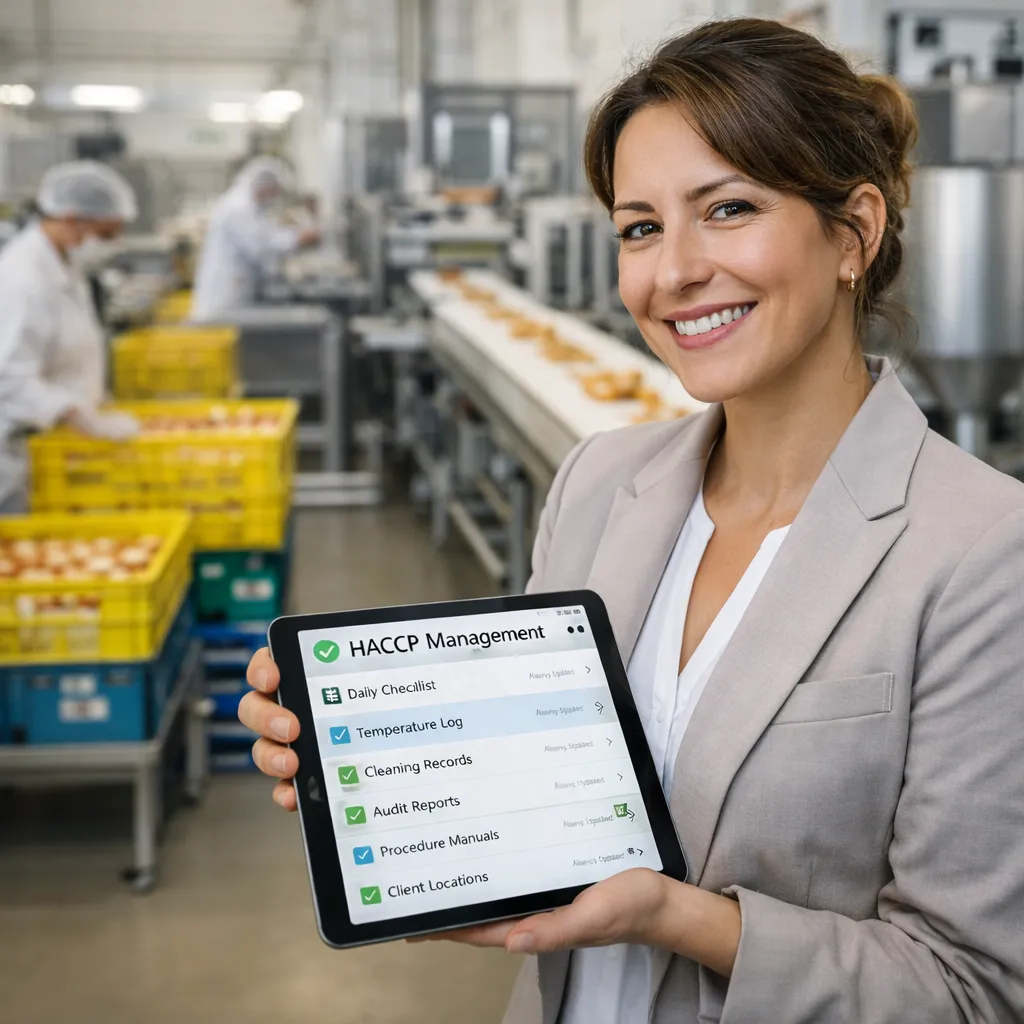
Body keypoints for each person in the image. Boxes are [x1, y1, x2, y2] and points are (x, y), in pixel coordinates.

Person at [238, 19, 1024, 1023]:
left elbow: (971, 991)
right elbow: (529, 789)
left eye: (728, 209)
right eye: (640, 227)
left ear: (854, 233)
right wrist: (380, 763)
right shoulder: (600, 482)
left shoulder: (980, 549)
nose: (673, 272)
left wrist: (679, 917)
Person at [0, 160, 140, 514]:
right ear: (71, 218)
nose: (110, 245)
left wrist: (91, 396)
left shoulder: (64, 265)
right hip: (16, 453)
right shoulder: (22, 279)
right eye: (105, 235)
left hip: (52, 447)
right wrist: (78, 414)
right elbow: (9, 378)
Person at [189, 156, 321, 320]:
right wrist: (299, 238)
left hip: (236, 294)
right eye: (274, 191)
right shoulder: (238, 208)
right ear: (264, 187)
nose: (274, 197)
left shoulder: (251, 208)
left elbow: (267, 234)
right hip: (224, 298)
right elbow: (261, 245)